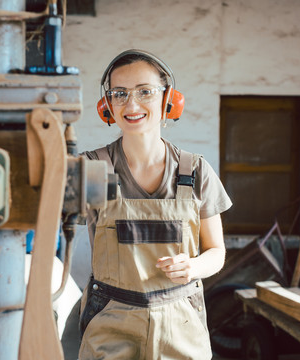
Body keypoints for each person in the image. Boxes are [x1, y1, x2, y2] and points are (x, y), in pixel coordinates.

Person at [78, 49, 233, 360]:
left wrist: (193, 267)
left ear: (169, 100)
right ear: (106, 104)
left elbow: (217, 252)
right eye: (119, 93)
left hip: (180, 320)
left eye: (145, 92)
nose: (131, 105)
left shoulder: (195, 171)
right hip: (111, 319)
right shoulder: (93, 169)